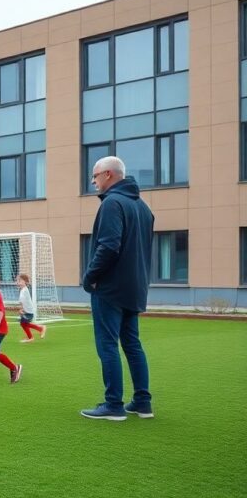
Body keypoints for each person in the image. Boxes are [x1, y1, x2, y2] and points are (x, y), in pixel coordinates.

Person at [81, 156, 155, 421]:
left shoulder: (112, 203)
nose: (93, 181)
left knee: (107, 345)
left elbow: (108, 246)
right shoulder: (144, 208)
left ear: (109, 174)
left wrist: (89, 277)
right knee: (132, 344)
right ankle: (143, 402)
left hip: (110, 288)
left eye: (95, 175)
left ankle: (113, 404)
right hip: (134, 287)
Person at [15, 273, 47, 343]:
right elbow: (22, 302)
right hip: (27, 311)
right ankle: (31, 337)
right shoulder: (23, 290)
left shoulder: (24, 290)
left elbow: (22, 301)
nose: (18, 282)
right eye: (17, 280)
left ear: (25, 282)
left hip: (28, 312)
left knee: (24, 323)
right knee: (23, 323)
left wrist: (21, 310)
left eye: (19, 280)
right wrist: (21, 309)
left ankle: (40, 329)